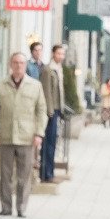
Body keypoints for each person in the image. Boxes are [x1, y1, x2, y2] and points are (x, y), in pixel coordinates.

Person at [0, 52, 48, 217]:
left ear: (25, 65)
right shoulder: (0, 86)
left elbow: (41, 110)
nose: (18, 66)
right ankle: (6, 207)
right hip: (6, 136)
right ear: (10, 64)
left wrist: (39, 133)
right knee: (5, 175)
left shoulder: (35, 86)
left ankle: (21, 207)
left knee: (24, 175)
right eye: (15, 62)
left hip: (27, 137)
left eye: (21, 63)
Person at [40, 44, 67, 182]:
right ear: (53, 54)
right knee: (48, 143)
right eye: (58, 54)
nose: (61, 56)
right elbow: (46, 91)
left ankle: (50, 171)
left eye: (63, 54)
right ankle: (46, 173)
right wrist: (50, 112)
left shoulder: (59, 69)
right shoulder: (48, 69)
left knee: (53, 142)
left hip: (57, 109)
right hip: (50, 111)